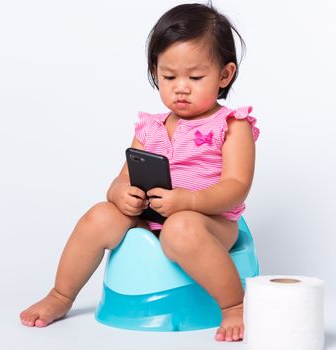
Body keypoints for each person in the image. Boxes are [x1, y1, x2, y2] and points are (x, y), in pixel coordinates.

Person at [20, 3, 259, 342]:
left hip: (210, 223)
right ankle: (61, 295)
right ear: (155, 72)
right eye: (169, 76)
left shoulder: (233, 125)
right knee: (100, 217)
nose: (181, 88)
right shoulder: (150, 128)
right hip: (153, 217)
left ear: (224, 74)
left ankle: (234, 305)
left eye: (195, 77)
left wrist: (189, 201)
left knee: (181, 227)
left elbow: (237, 186)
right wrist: (120, 194)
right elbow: (122, 179)